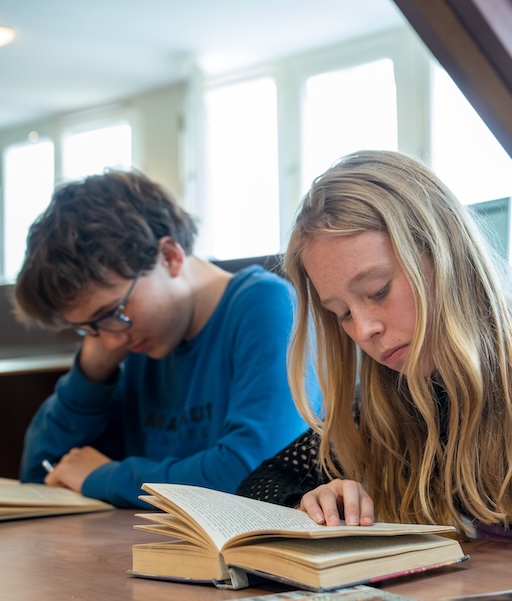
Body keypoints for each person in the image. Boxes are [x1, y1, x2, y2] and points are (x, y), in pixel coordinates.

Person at [237, 150, 512, 558]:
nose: (363, 330)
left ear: (445, 257)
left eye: (378, 291)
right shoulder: (403, 387)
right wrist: (310, 502)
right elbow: (263, 482)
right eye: (342, 313)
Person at [14, 169, 309, 508]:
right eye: (89, 328)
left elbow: (256, 476)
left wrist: (105, 477)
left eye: (111, 312)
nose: (110, 341)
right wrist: (90, 376)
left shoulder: (269, 305)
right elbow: (41, 474)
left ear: (169, 256)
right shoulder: (135, 341)